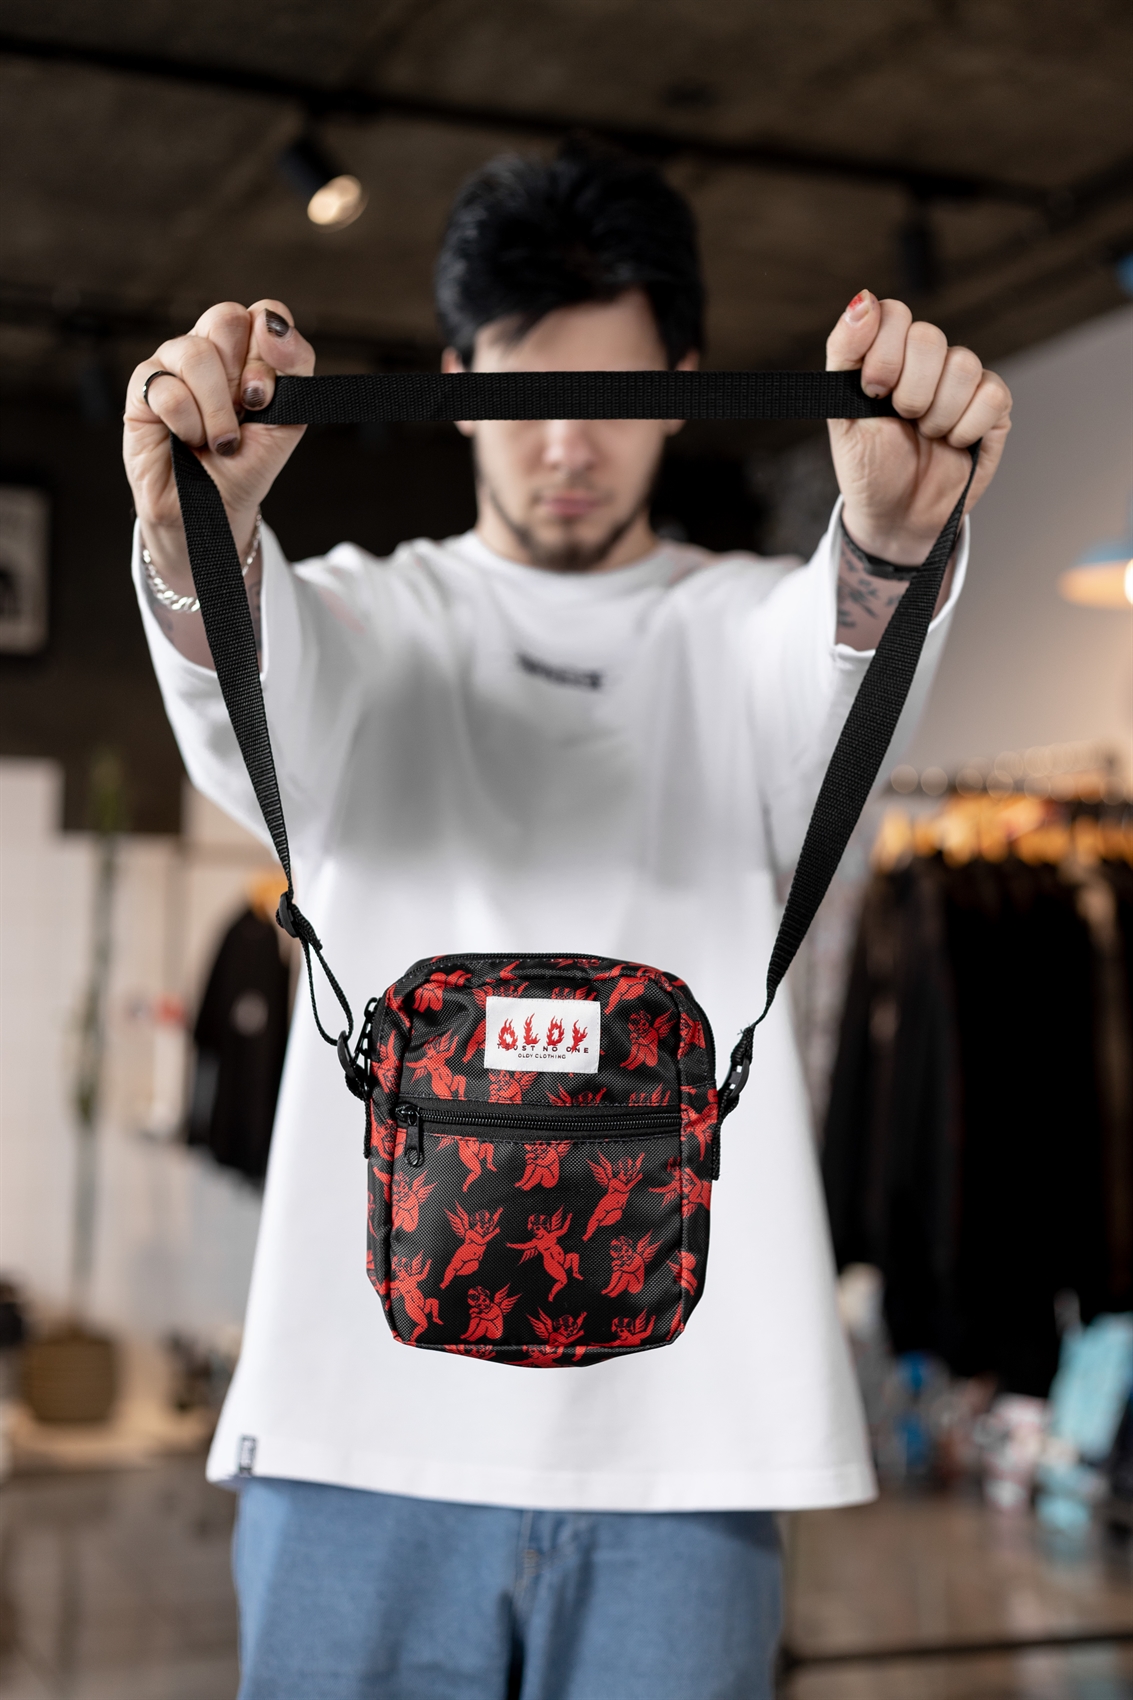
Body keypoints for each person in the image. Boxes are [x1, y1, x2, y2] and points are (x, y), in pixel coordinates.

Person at [123, 145, 1011, 1700]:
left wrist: (883, 545)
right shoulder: (370, 617)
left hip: (689, 1454)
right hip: (359, 1439)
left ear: (682, 390)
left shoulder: (742, 628)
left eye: (612, 398)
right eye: (527, 396)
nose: (566, 447)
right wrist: (196, 535)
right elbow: (248, 681)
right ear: (457, 384)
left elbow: (823, 687)